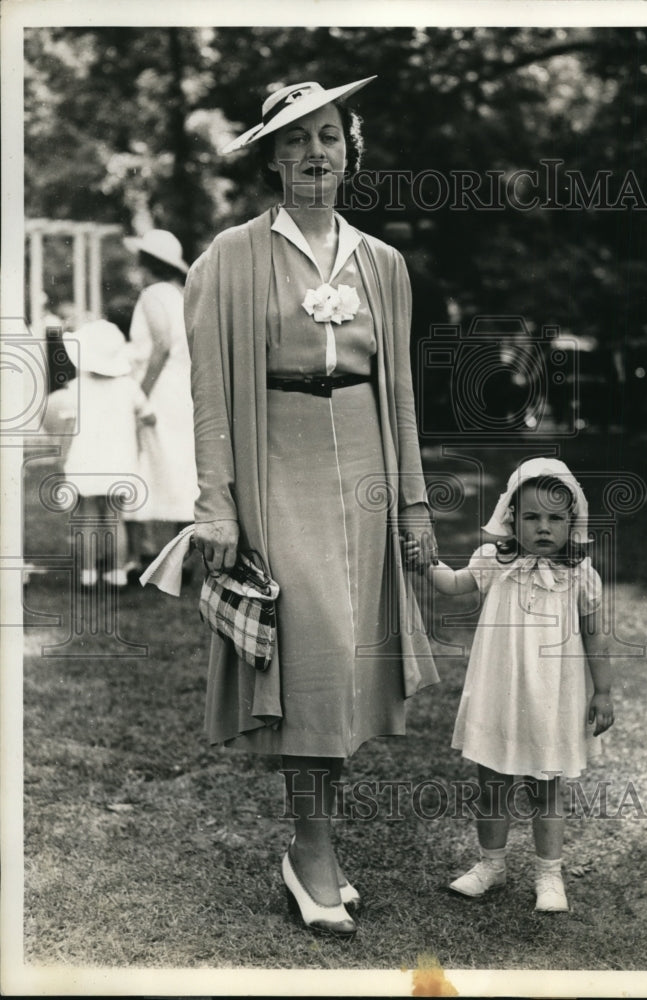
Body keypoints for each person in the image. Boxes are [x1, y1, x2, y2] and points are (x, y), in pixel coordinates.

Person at [184, 77, 439, 938]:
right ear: (270, 157)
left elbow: (399, 391)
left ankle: (312, 846)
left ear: (349, 149)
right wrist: (215, 506)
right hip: (276, 466)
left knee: (345, 672)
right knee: (312, 658)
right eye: (293, 141)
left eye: (327, 136)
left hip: (362, 469)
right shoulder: (229, 257)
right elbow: (212, 394)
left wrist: (411, 504)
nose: (313, 154)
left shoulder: (383, 264)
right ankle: (313, 851)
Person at [407, 456, 613, 911]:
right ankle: (491, 865)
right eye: (532, 517)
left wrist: (603, 691)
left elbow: (598, 635)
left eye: (555, 518)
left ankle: (549, 874)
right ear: (511, 518)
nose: (543, 527)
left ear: (572, 523)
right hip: (500, 691)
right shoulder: (493, 561)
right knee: (493, 782)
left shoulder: (580, 575)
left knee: (546, 785)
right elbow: (453, 584)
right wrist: (427, 565)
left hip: (553, 698)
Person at [123, 229, 198, 574]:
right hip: (182, 388)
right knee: (178, 466)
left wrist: (142, 393)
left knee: (151, 462)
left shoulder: (153, 294)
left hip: (161, 389)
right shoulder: (180, 294)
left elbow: (162, 346)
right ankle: (178, 554)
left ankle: (148, 554)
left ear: (145, 262)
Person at [61, 320, 155, 587]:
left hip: (86, 461)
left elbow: (68, 427)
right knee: (116, 519)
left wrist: (64, 458)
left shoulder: (76, 388)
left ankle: (88, 574)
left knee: (88, 518)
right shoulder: (128, 387)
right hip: (119, 461)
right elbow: (149, 416)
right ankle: (117, 573)